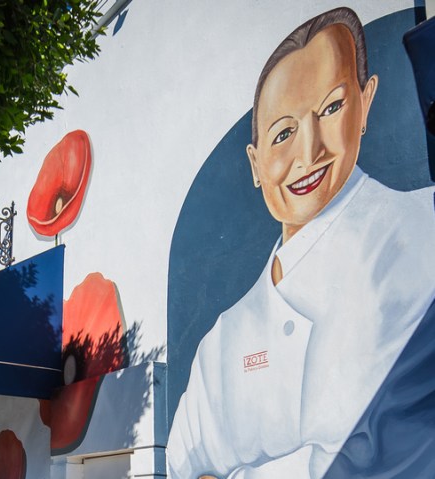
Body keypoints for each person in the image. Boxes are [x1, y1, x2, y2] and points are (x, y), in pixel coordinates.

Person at [167, 7, 435, 479]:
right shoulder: (220, 345)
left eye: (332, 108)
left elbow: (394, 446)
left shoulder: (420, 232)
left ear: (366, 102)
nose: (308, 153)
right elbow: (183, 465)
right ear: (255, 164)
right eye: (283, 134)